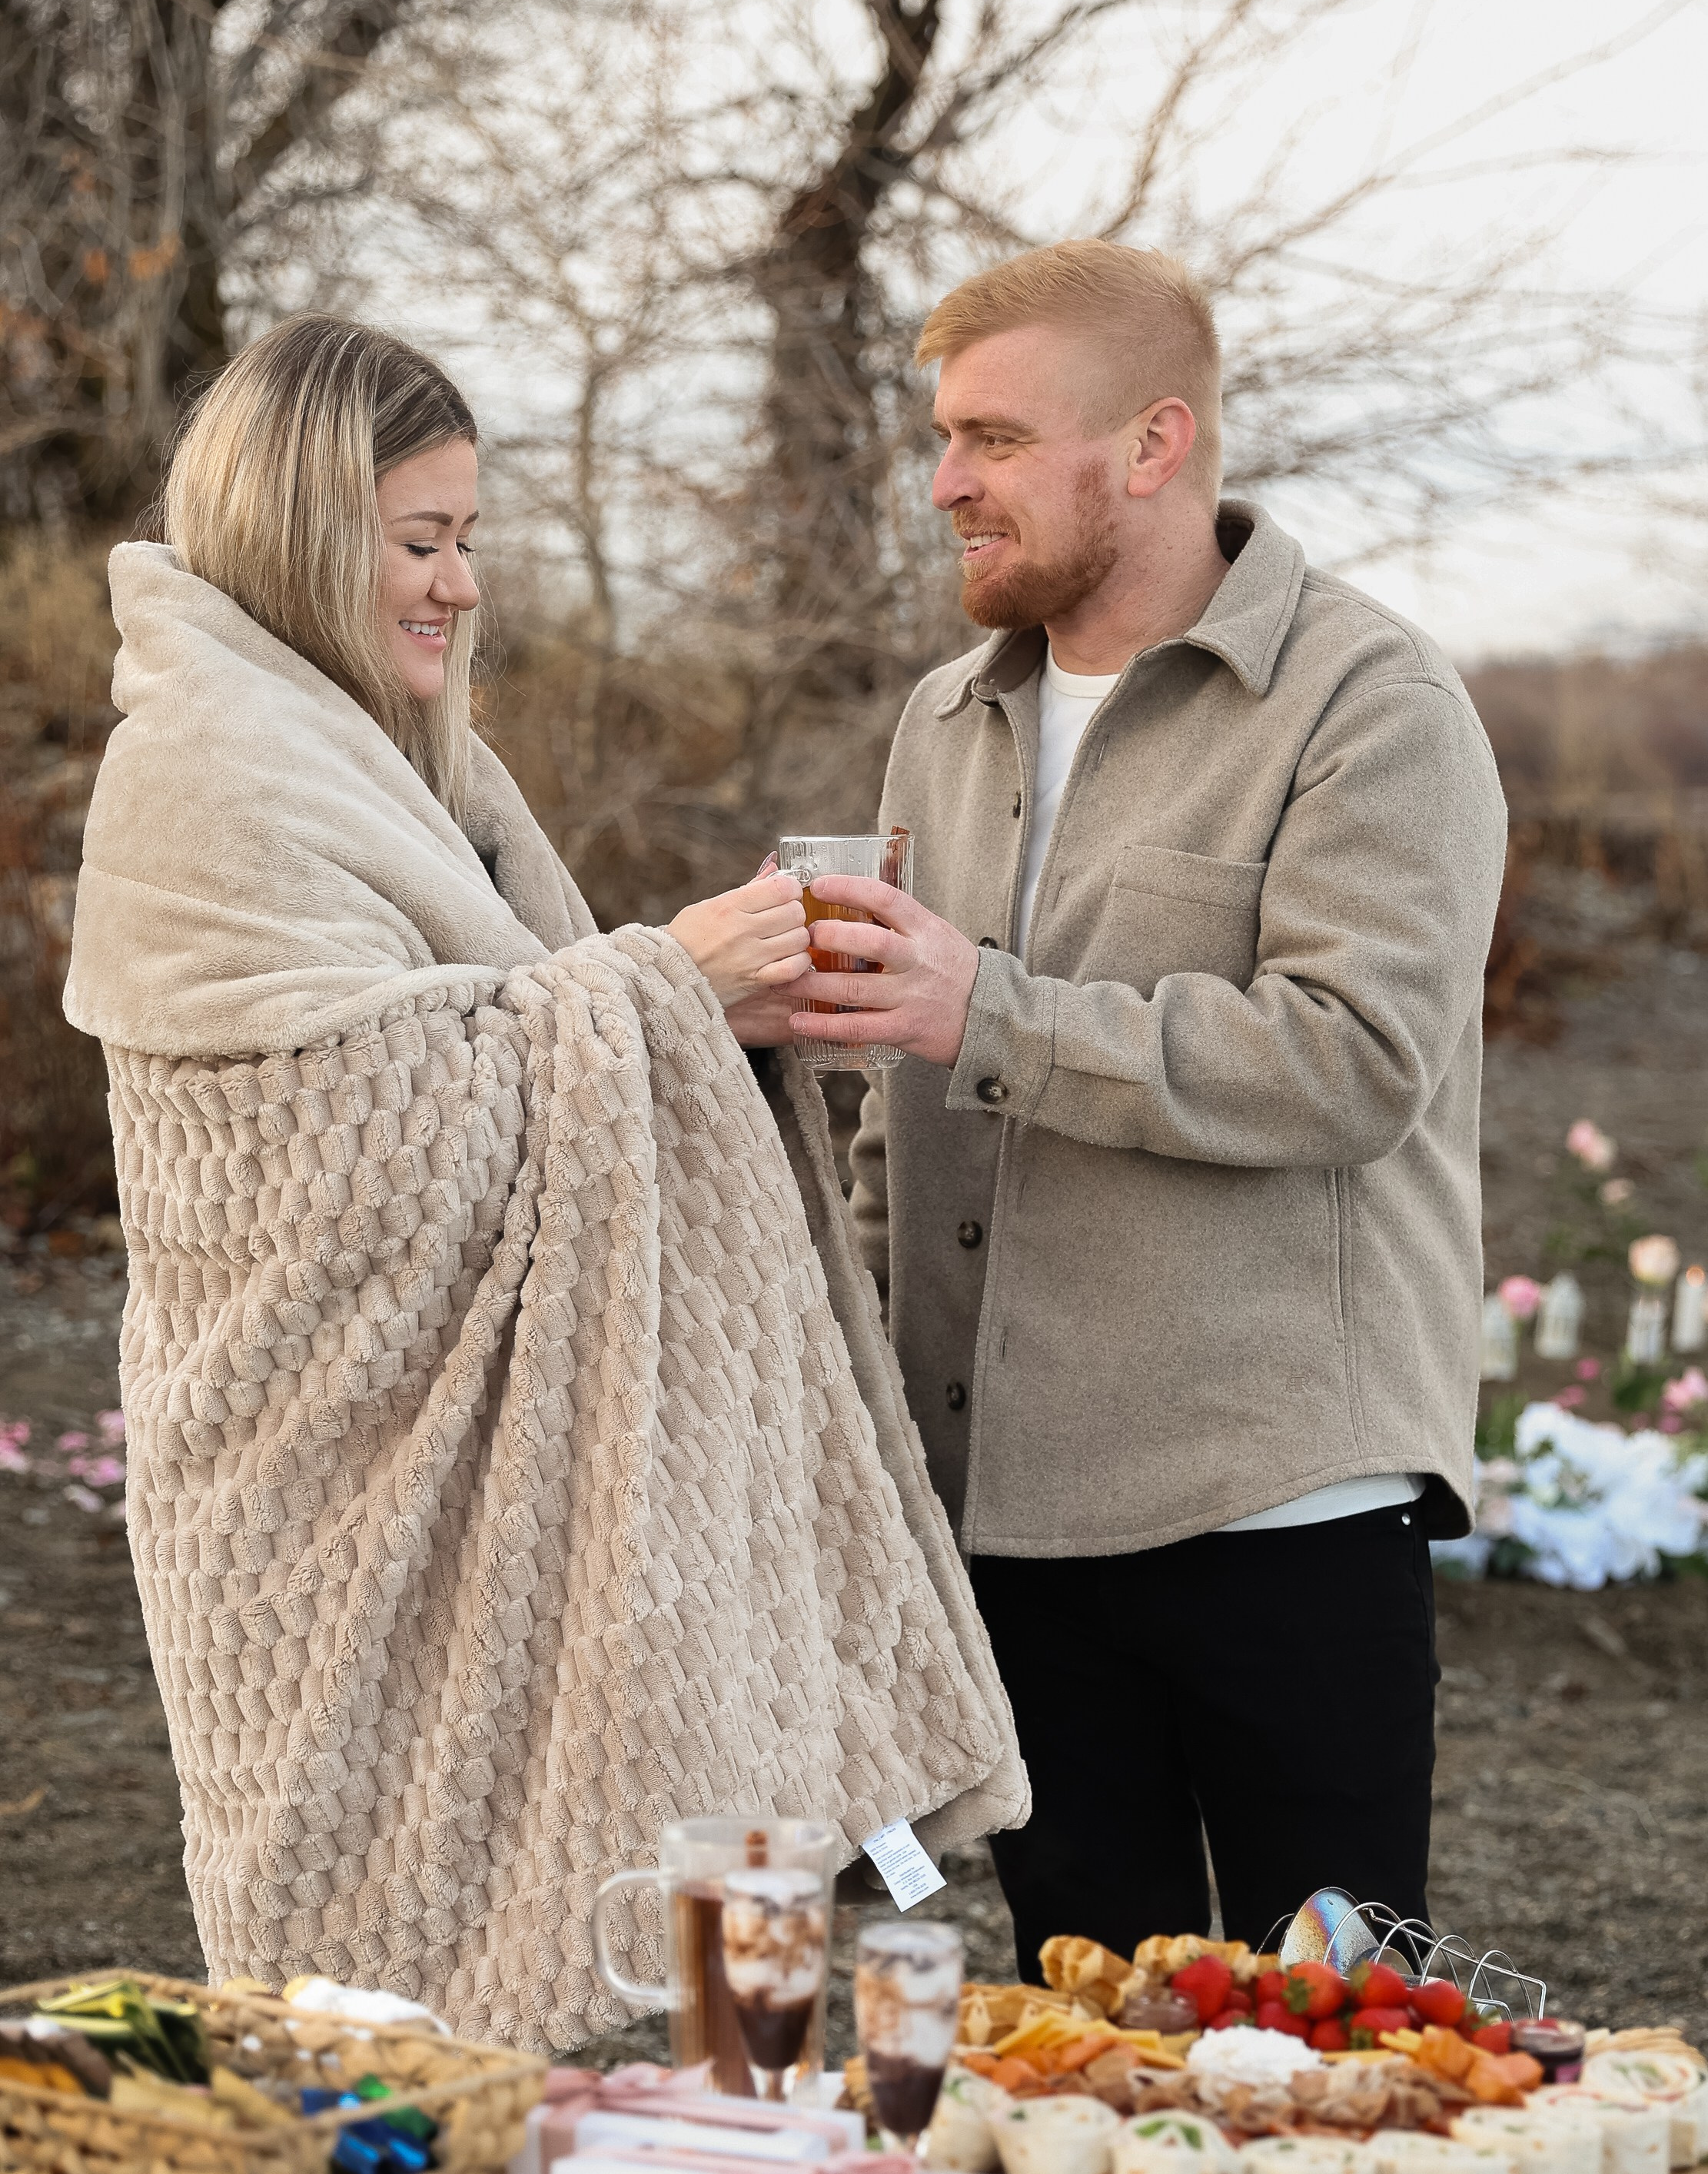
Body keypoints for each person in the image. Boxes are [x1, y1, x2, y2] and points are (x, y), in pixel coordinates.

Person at [61, 315, 1023, 2048]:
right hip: (319, 1488)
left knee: (680, 1947)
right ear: (302, 533)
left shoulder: (403, 752)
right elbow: (321, 1157)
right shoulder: (208, 771)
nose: (459, 586)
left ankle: (698, 2153)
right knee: (376, 2013)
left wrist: (716, 1014)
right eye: (419, 542)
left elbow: (512, 1030)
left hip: (506, 1440)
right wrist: (667, 988)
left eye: (469, 541)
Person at [769, 241, 1507, 1978]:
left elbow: (1353, 1057)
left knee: (1338, 2041)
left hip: (1282, 1519)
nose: (946, 484)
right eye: (943, 439)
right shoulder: (947, 718)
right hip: (1006, 1527)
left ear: (1155, 444)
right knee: (1084, 2041)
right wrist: (856, 1406)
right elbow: (903, 1118)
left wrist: (987, 1009)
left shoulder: (1372, 706)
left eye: (996, 439)